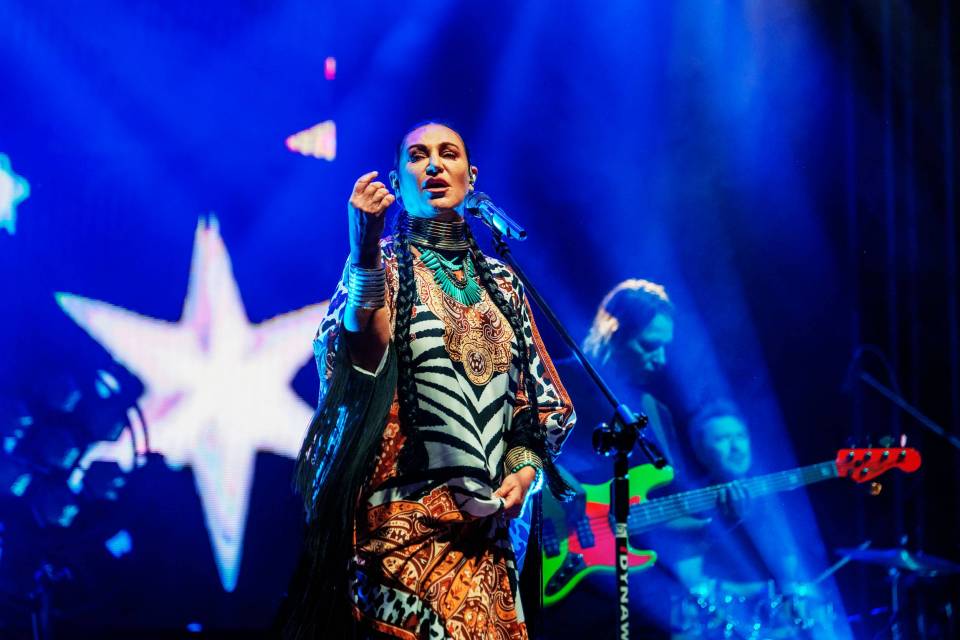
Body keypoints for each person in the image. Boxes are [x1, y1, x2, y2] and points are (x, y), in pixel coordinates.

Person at [286, 122, 576, 640]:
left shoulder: (503, 282)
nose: (435, 164)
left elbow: (536, 402)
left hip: (488, 535)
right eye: (418, 156)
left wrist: (524, 467)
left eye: (448, 154)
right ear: (398, 182)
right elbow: (360, 359)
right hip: (400, 528)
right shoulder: (382, 266)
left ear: (472, 176)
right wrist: (364, 251)